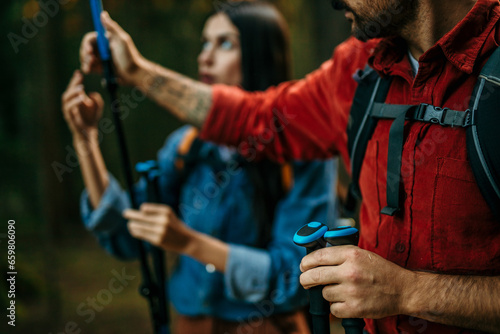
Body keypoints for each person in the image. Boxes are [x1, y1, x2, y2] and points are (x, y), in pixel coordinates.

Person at [76, 0, 500, 333]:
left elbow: (283, 274)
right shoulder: (358, 70)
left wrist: (411, 293)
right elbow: (255, 119)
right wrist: (137, 74)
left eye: (225, 43)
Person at [62, 1, 339, 333]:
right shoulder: (186, 146)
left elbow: (295, 276)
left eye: (225, 44)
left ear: (260, 55)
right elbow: (126, 236)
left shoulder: (306, 153)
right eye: (205, 43)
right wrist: (85, 140)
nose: (204, 57)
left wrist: (189, 243)